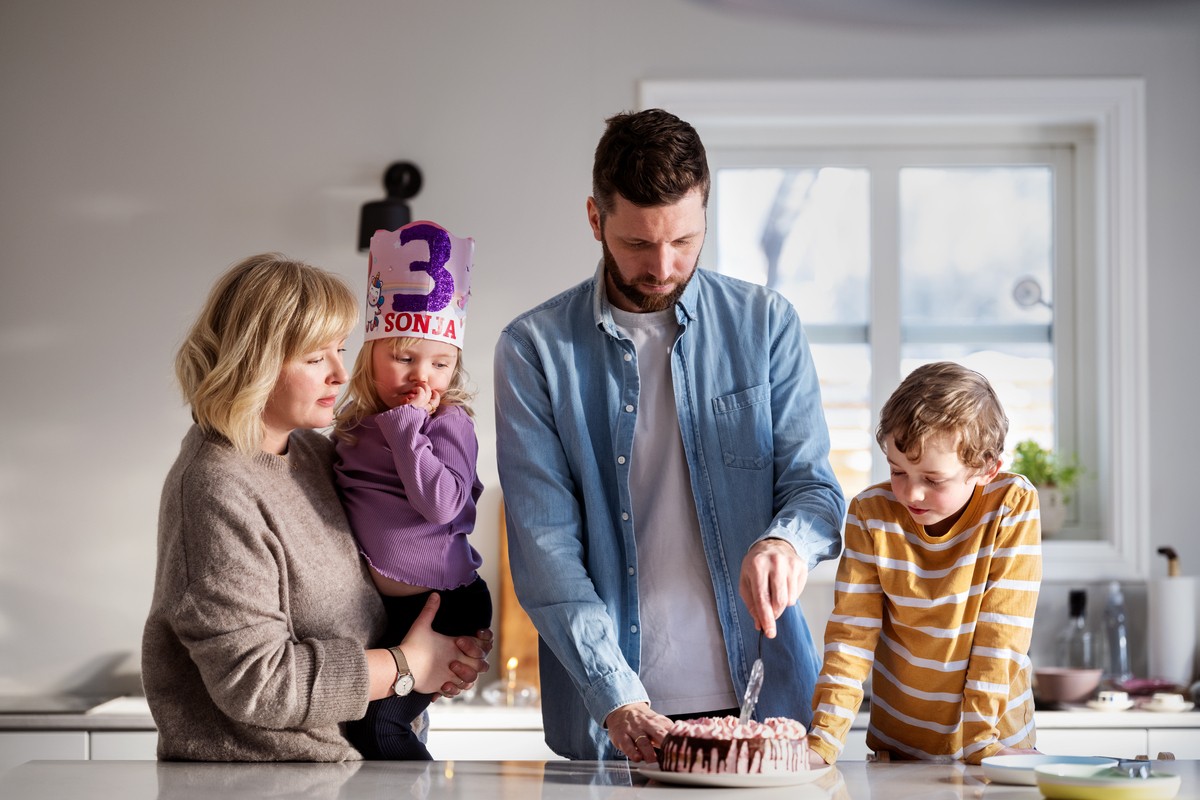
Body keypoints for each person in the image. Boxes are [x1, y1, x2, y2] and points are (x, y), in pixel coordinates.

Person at [493, 108, 847, 762]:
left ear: (706, 213)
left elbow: (816, 492)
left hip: (765, 709)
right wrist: (616, 695)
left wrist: (786, 542)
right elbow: (546, 554)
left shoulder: (766, 325)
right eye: (637, 244)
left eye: (684, 241)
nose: (662, 266)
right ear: (596, 219)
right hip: (614, 719)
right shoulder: (534, 350)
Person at [142, 253, 491, 762]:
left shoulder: (314, 454)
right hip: (260, 782)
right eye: (314, 358)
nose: (340, 373)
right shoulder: (215, 487)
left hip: (344, 773)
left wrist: (432, 667)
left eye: (341, 350)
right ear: (252, 362)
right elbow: (258, 685)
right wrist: (406, 664)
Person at [806, 361, 1041, 766]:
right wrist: (823, 741)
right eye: (898, 471)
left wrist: (981, 742)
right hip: (902, 745)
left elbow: (1002, 634)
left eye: (933, 479)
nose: (911, 493)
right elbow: (851, 635)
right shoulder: (870, 512)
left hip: (997, 743)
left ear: (986, 469)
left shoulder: (1011, 504)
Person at [333, 221, 491, 760]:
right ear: (369, 355)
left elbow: (441, 505)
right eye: (403, 358)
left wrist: (407, 432)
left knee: (382, 730)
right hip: (386, 610)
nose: (422, 378)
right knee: (356, 729)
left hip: (445, 603)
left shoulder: (447, 424)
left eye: (440, 364)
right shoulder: (350, 429)